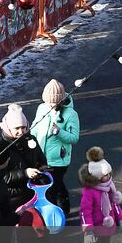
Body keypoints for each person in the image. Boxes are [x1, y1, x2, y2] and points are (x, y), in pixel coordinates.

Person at [29, 79, 80, 215]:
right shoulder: (42, 108)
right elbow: (35, 127)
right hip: (41, 156)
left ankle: (61, 212)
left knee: (54, 186)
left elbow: (74, 137)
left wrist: (59, 132)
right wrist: (29, 138)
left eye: (54, 102)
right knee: (52, 186)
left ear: (61, 99)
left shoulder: (71, 115)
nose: (51, 105)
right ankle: (57, 210)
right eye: (48, 102)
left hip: (58, 160)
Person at [78, 147, 122, 243]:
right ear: (96, 176)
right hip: (95, 229)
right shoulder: (89, 192)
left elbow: (114, 204)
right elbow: (85, 212)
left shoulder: (109, 186)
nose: (108, 177)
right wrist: (88, 230)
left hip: (107, 226)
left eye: (109, 174)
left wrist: (119, 217)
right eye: (104, 175)